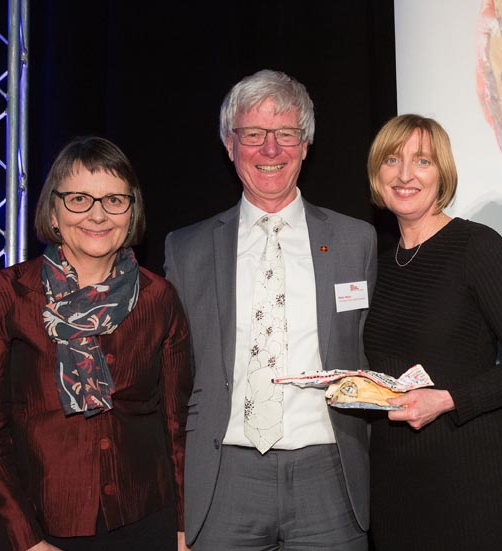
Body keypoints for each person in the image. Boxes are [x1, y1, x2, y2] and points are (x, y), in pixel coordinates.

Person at [164, 69, 376, 550]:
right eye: (254, 134)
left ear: (305, 145)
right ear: (229, 143)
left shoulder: (354, 241)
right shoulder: (187, 249)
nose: (271, 150)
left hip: (329, 476)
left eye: (286, 134)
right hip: (223, 480)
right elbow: (171, 377)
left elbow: (369, 349)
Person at [0, 136, 192, 551]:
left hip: (147, 525)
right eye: (79, 199)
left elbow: (177, 427)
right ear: (53, 208)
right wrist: (25, 541)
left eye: (114, 200)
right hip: (41, 530)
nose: (98, 215)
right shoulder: (8, 295)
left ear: (132, 210)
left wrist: (183, 528)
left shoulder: (159, 298)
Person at [363, 114, 502, 550]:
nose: (406, 174)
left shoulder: (476, 246)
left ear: (442, 174)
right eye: (392, 160)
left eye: (423, 161)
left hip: (469, 478)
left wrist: (448, 400)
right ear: (378, 172)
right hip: (394, 484)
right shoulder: (378, 264)